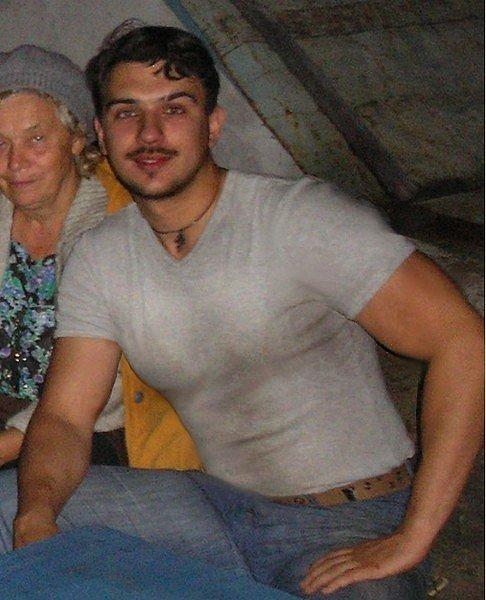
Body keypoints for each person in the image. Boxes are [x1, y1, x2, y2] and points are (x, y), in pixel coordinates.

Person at [1, 25, 482, 600]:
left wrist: (415, 534)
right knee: (7, 507)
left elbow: (463, 341)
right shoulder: (104, 255)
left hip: (345, 521)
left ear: (213, 124)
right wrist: (35, 520)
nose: (149, 134)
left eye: (174, 109)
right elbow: (64, 418)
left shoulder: (299, 218)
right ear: (102, 134)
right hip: (214, 508)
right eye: (128, 113)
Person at [0, 44, 200, 470]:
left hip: (84, 427)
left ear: (76, 138)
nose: (15, 163)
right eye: (0, 143)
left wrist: (6, 444)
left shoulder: (122, 228)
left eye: (36, 139)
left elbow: (102, 390)